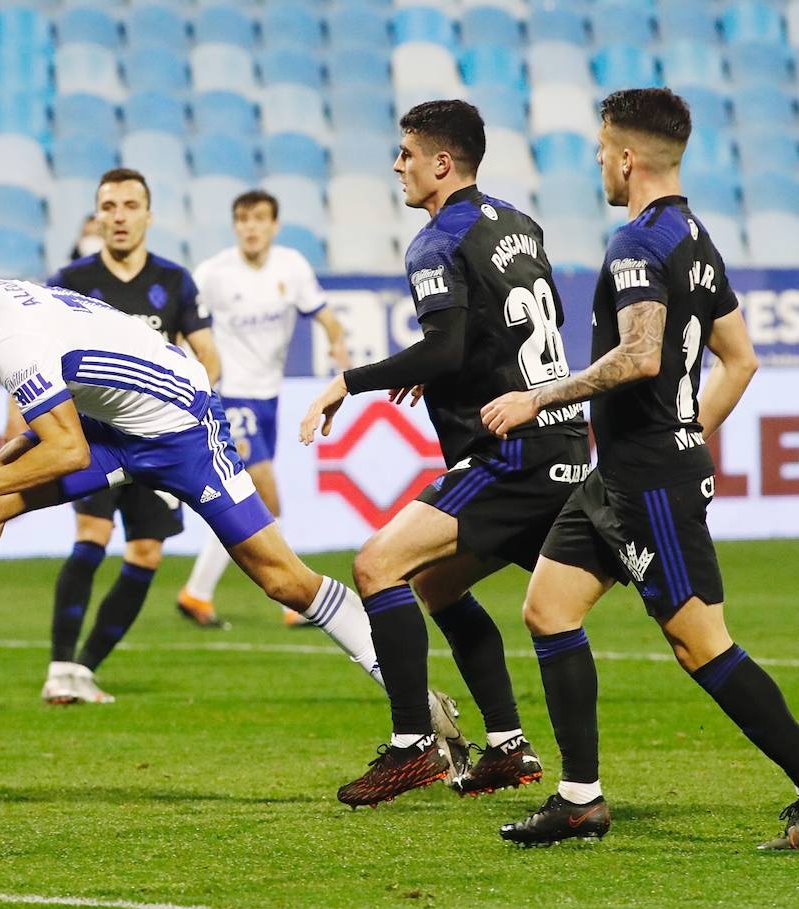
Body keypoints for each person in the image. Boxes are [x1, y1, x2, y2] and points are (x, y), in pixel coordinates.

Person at [0, 241, 462, 759]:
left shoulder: (16, 340)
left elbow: (68, 451)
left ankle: (417, 701)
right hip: (118, 426)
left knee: (282, 580)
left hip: (183, 427)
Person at [480, 89, 799, 849]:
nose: (598, 162)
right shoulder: (694, 236)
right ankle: (580, 799)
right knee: (548, 608)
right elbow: (742, 359)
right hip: (621, 473)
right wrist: (689, 433)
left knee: (702, 646)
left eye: (600, 150)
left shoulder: (636, 245)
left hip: (647, 479)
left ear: (627, 157)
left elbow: (640, 355)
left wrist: (539, 399)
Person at [301, 100, 591, 807]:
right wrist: (442, 368)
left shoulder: (436, 240)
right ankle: (506, 746)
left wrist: (348, 381)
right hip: (563, 442)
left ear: (441, 162)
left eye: (405, 154)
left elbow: (449, 344)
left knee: (376, 565)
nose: (396, 166)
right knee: (436, 586)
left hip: (509, 454)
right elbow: (493, 334)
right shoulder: (519, 226)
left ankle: (411, 747)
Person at [39, 167, 219, 704]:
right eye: (109, 206)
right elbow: (37, 357)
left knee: (145, 553)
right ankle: (58, 667)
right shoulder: (70, 281)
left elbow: (209, 355)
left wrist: (186, 395)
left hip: (155, 440)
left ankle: (84, 670)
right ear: (97, 216)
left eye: (129, 205)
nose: (118, 216)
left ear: (148, 215)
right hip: (92, 436)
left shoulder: (175, 281)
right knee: (90, 537)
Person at [176, 189, 350, 629]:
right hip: (230, 394)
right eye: (242, 219)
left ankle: (197, 592)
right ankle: (295, 599)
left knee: (247, 499)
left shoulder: (291, 267)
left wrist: (337, 343)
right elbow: (184, 325)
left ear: (274, 225)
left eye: (258, 219)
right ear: (235, 226)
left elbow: (324, 315)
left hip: (268, 397)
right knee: (265, 494)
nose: (250, 227)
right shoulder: (214, 273)